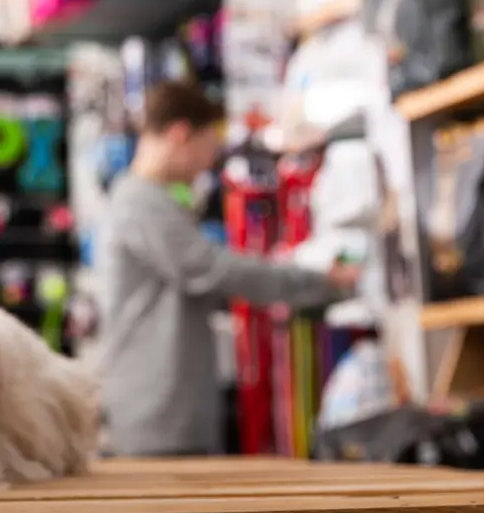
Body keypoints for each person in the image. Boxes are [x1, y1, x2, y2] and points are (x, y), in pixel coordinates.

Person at [96, 81, 361, 457]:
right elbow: (216, 270)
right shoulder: (140, 203)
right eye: (208, 146)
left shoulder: (146, 200)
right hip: (159, 416)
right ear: (179, 135)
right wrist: (324, 281)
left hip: (167, 409)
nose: (210, 161)